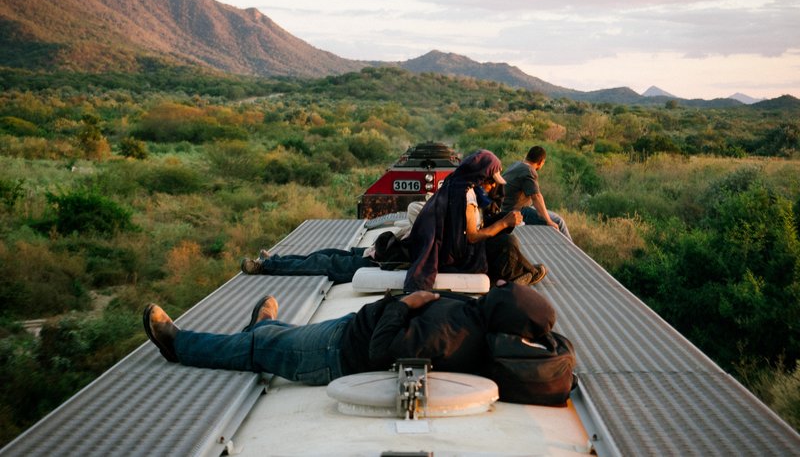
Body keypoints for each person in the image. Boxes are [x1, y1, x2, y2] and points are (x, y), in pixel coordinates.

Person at [142, 280, 557, 385]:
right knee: (276, 337)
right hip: (348, 330)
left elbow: (381, 351)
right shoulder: (476, 320)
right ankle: (265, 325)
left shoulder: (452, 335)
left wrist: (404, 305)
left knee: (259, 349)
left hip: (336, 352)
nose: (500, 288)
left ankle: (179, 345)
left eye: (507, 293)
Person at [404, 149, 544, 292]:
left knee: (504, 235)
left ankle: (524, 271)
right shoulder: (467, 196)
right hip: (463, 257)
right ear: (481, 177)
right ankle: (522, 274)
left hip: (452, 249)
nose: (494, 186)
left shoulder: (456, 184)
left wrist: (502, 219)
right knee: (507, 243)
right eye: (491, 181)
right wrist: (504, 223)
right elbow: (472, 236)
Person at [239, 201, 425, 283]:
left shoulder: (439, 228)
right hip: (381, 252)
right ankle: (277, 260)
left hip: (384, 263)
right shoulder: (438, 224)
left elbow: (413, 209)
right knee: (325, 253)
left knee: (322, 263)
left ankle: (264, 267)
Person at [501, 146, 572, 241]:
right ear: (540, 162)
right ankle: (568, 252)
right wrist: (548, 221)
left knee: (549, 215)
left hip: (506, 207)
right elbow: (536, 197)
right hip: (515, 211)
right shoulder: (528, 171)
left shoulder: (516, 165)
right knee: (558, 221)